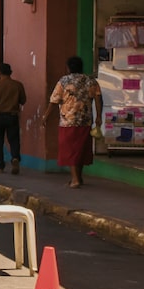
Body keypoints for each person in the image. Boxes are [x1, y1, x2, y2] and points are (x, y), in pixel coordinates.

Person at [43, 56, 103, 189]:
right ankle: (78, 178)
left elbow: (54, 101)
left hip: (68, 121)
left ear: (68, 67)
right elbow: (98, 99)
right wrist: (99, 116)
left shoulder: (64, 81)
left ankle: (75, 180)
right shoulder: (90, 81)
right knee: (80, 150)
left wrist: (45, 116)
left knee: (70, 151)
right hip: (85, 120)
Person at [0, 62, 27, 174]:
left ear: (0, 73)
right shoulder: (18, 85)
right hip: (12, 116)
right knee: (14, 140)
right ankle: (15, 158)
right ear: (10, 72)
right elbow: (23, 100)